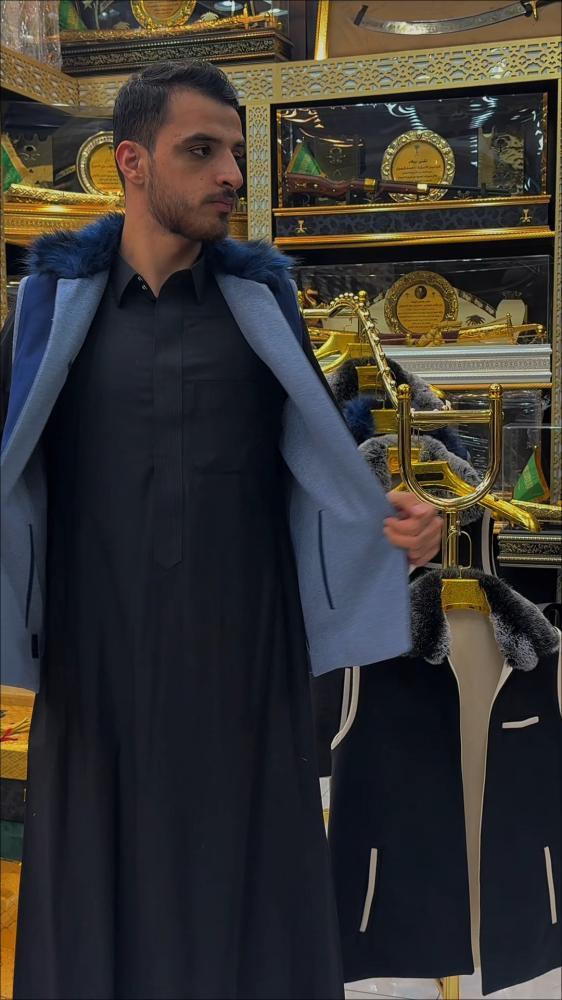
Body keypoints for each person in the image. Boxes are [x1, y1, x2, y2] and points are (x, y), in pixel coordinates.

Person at [0, 60, 442, 1000]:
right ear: (132, 162)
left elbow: (321, 461)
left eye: (234, 153)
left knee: (247, 887)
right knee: (97, 890)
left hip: (245, 658)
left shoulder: (261, 306)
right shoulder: (48, 308)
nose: (231, 175)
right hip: (96, 659)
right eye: (200, 151)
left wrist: (396, 522)